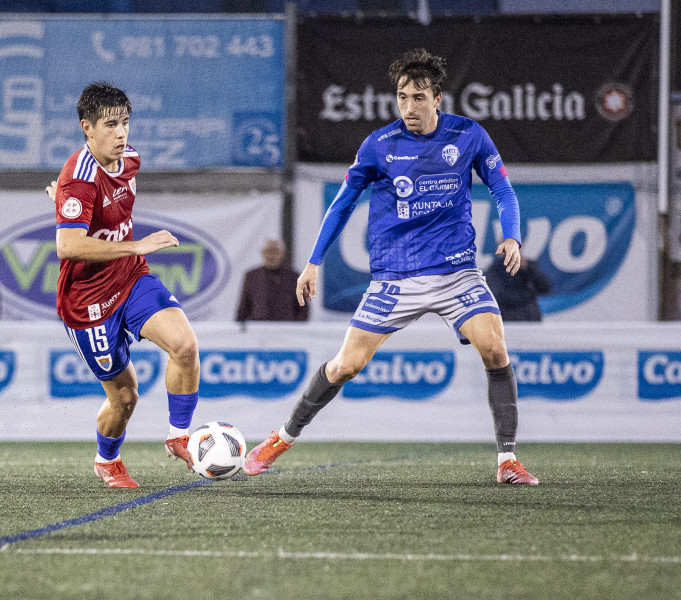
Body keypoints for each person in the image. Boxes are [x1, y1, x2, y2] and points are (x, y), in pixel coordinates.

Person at [244, 48, 538, 485]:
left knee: (495, 350)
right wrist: (313, 262)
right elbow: (342, 206)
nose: (409, 106)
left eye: (418, 97)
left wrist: (511, 235)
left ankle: (507, 460)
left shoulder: (469, 135)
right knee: (345, 365)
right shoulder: (379, 146)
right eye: (402, 97)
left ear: (438, 98)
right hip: (395, 278)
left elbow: (503, 189)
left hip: (456, 274)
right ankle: (281, 438)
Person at [49, 81, 200, 489]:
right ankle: (107, 459)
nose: (121, 133)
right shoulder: (76, 178)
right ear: (87, 127)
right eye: (111, 124)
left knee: (184, 345)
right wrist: (138, 242)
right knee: (125, 398)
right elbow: (67, 246)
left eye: (126, 123)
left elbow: (97, 211)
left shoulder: (130, 159)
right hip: (87, 303)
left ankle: (179, 437)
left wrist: (65, 206)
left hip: (130, 277)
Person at [236, 239, 309, 322]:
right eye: (268, 251)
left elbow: (303, 309)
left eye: (275, 251)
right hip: (258, 329)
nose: (271, 256)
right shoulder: (252, 276)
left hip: (286, 329)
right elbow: (244, 307)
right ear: (262, 253)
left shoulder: (294, 277)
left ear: (282, 254)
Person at [485, 255, 552, 322]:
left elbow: (545, 288)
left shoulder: (530, 266)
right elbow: (496, 294)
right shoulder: (495, 269)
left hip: (531, 320)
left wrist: (527, 269)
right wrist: (527, 294)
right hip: (508, 321)